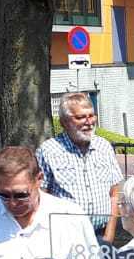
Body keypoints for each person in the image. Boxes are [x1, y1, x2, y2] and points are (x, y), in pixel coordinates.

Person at [38, 92, 123, 244]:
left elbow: (114, 194)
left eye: (91, 115)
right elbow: (41, 197)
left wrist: (109, 236)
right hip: (65, 238)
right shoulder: (48, 150)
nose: (89, 122)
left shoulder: (104, 146)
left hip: (101, 235)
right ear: (64, 122)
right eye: (80, 117)